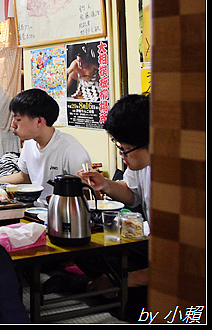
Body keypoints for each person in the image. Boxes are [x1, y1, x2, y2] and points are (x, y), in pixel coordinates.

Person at [75, 94, 150, 315]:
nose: (120, 152)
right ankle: (104, 286)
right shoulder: (140, 164)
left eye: (125, 147)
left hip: (168, 258)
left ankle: (110, 287)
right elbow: (131, 194)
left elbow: (177, 259)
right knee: (84, 248)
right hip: (147, 243)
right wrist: (105, 184)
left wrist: (121, 280)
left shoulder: (174, 178)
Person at [0, 88, 91, 203]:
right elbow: (24, 177)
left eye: (18, 119)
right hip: (34, 209)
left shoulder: (70, 149)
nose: (13, 125)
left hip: (61, 214)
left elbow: (89, 193)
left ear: (39, 121)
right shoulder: (29, 143)